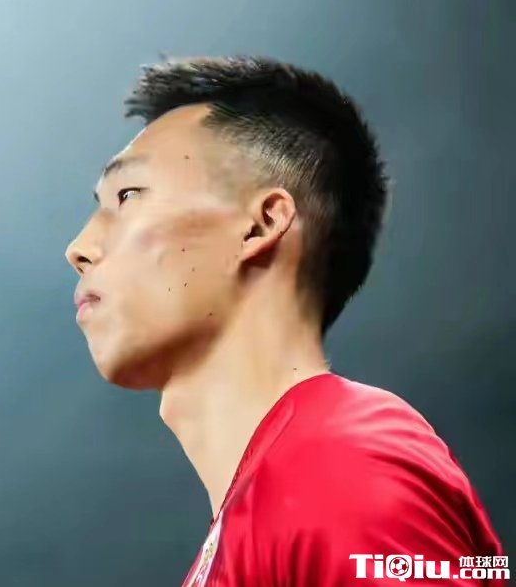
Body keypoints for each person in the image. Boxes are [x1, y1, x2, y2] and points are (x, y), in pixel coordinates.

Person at [64, 56, 505, 585]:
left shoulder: (343, 466)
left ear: (261, 224)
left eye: (128, 195)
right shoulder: (269, 508)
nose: (79, 248)